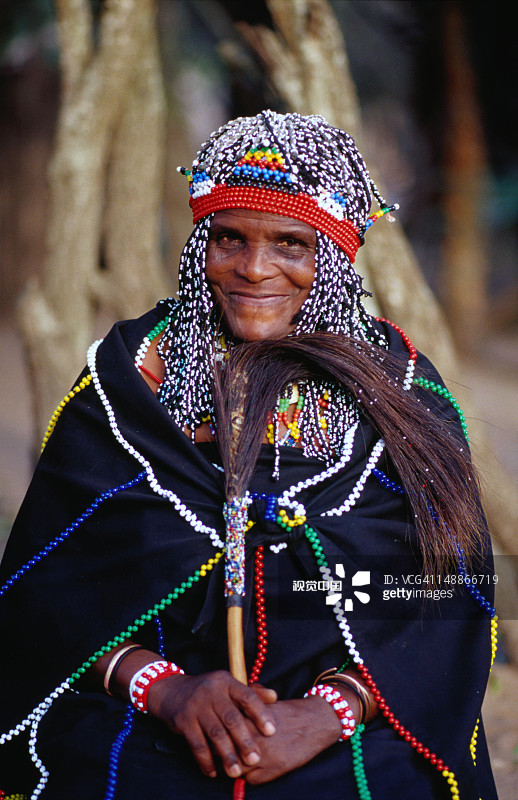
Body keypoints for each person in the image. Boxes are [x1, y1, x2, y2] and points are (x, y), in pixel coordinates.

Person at [0, 111, 498, 800]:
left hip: (352, 721)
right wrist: (165, 689)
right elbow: (45, 589)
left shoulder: (402, 388)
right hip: (147, 713)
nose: (254, 268)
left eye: (291, 243)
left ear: (332, 257)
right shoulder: (127, 382)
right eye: (228, 238)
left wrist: (329, 712)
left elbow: (443, 594)